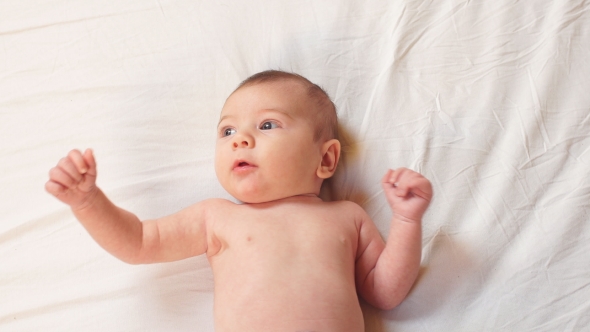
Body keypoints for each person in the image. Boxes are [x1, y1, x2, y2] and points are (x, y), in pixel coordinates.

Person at [45, 70, 433, 332]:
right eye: (227, 129)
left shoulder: (347, 216)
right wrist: (88, 202)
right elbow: (139, 242)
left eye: (267, 125)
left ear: (326, 158)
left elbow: (385, 293)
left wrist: (406, 221)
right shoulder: (217, 217)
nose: (240, 139)